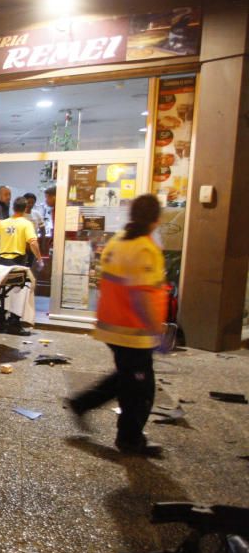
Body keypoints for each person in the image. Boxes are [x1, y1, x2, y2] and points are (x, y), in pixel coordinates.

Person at [67, 194, 167, 457]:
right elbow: (142, 294)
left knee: (127, 378)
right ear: (156, 219)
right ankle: (130, 440)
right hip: (133, 330)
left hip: (112, 326)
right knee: (140, 389)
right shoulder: (143, 248)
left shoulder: (118, 242)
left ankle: (82, 404)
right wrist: (156, 328)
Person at [0, 196, 42, 336]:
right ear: (25, 208)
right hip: (17, 260)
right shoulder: (26, 224)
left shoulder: (3, 224)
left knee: (2, 290)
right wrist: (39, 258)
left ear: (13, 208)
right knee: (19, 292)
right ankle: (14, 323)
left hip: (2, 260)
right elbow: (33, 242)